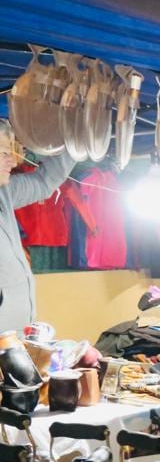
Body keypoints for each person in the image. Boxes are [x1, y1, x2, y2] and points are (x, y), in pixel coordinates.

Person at [0, 119, 76, 333]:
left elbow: (44, 183)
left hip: (16, 341)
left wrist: (75, 144)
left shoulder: (4, 193)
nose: (13, 162)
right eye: (4, 153)